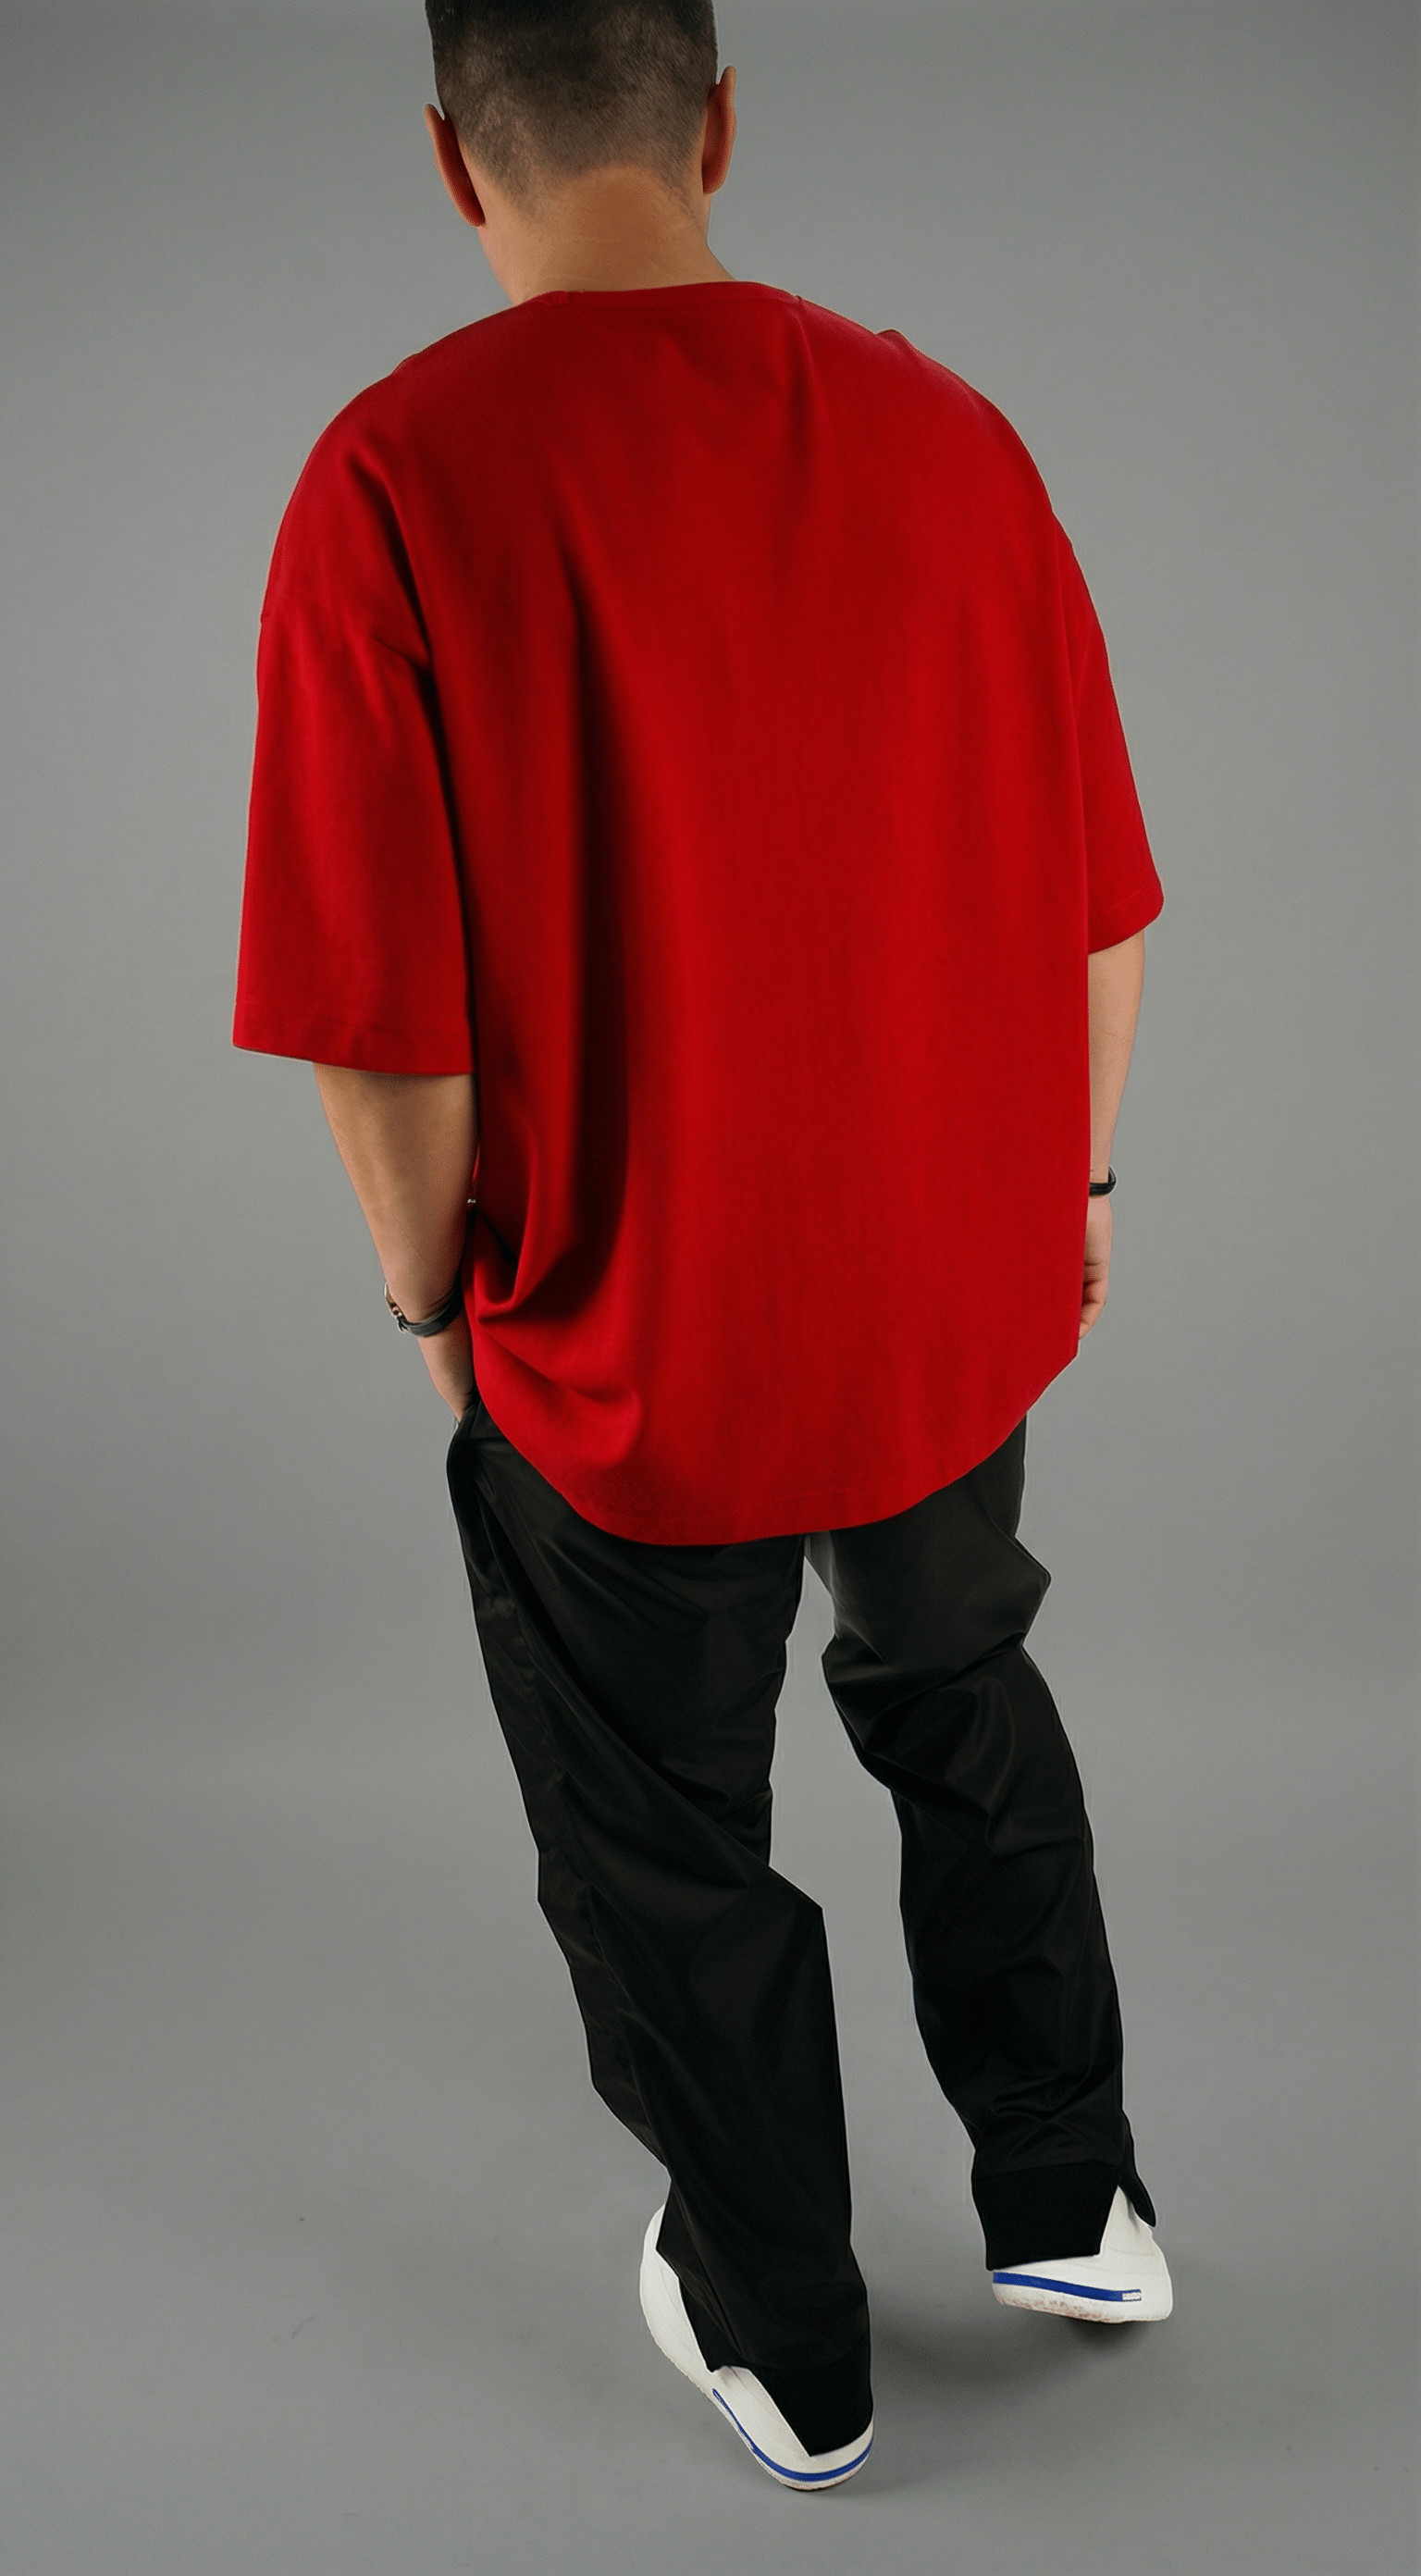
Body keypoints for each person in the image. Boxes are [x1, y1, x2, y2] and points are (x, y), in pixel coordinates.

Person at [232, 0, 1170, 2494]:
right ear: (724, 123)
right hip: (946, 1297)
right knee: (962, 1695)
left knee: (665, 1838)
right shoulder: (955, 435)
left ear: (457, 161)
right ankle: (1072, 2195)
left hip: (632, 1332)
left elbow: (378, 1026)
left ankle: (786, 2332)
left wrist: (435, 1304)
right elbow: (1098, 905)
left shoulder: (395, 478)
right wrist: (1068, 1200)